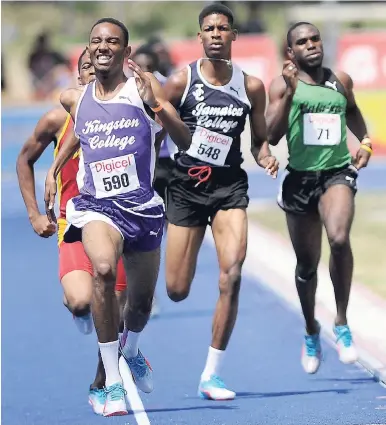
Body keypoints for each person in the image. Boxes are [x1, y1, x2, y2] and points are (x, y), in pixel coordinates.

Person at [44, 18, 191, 417]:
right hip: (98, 206)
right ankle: (111, 381)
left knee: (139, 305)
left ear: (126, 52)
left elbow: (183, 140)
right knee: (104, 270)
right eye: (96, 41)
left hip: (142, 209)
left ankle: (134, 350)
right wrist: (54, 169)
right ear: (89, 50)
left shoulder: (142, 90)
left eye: (112, 41)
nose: (103, 47)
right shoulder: (77, 97)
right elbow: (81, 130)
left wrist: (158, 105)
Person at [162, 4, 278, 401]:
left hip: (229, 187)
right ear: (199, 37)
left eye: (222, 28)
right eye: (208, 28)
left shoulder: (251, 86)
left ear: (233, 36)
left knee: (232, 275)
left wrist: (265, 157)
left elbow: (259, 139)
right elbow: (152, 128)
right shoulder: (181, 82)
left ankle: (211, 375)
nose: (215, 34)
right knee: (177, 289)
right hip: (186, 188)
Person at [16, 48, 128, 415]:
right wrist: (34, 214)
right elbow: (24, 159)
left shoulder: (125, 115)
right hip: (75, 223)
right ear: (77, 75)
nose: (93, 74)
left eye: (100, 69)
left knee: (117, 311)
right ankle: (80, 310)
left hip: (119, 221)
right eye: (86, 68)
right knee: (82, 300)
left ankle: (102, 382)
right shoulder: (56, 119)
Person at [266, 22, 372, 374]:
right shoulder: (282, 85)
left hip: (336, 173)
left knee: (339, 239)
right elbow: (272, 132)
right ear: (290, 52)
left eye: (315, 39)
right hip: (299, 180)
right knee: (306, 266)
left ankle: (341, 323)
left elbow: (353, 111)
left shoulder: (340, 79)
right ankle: (312, 328)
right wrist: (291, 92)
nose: (311, 44)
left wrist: (366, 142)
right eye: (302, 41)